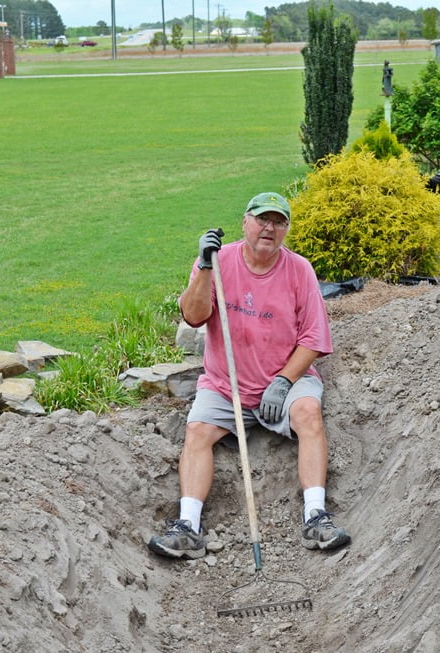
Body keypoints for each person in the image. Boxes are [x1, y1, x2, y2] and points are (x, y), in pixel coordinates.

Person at [148, 191, 351, 560]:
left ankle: (316, 517)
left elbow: (314, 340)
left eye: (278, 222)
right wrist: (204, 265)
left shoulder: (299, 270)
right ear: (245, 221)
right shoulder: (217, 261)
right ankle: (188, 527)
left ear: (286, 229)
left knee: (308, 414)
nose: (269, 228)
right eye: (262, 219)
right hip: (227, 385)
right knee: (196, 431)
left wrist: (284, 381)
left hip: (285, 380)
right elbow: (194, 316)